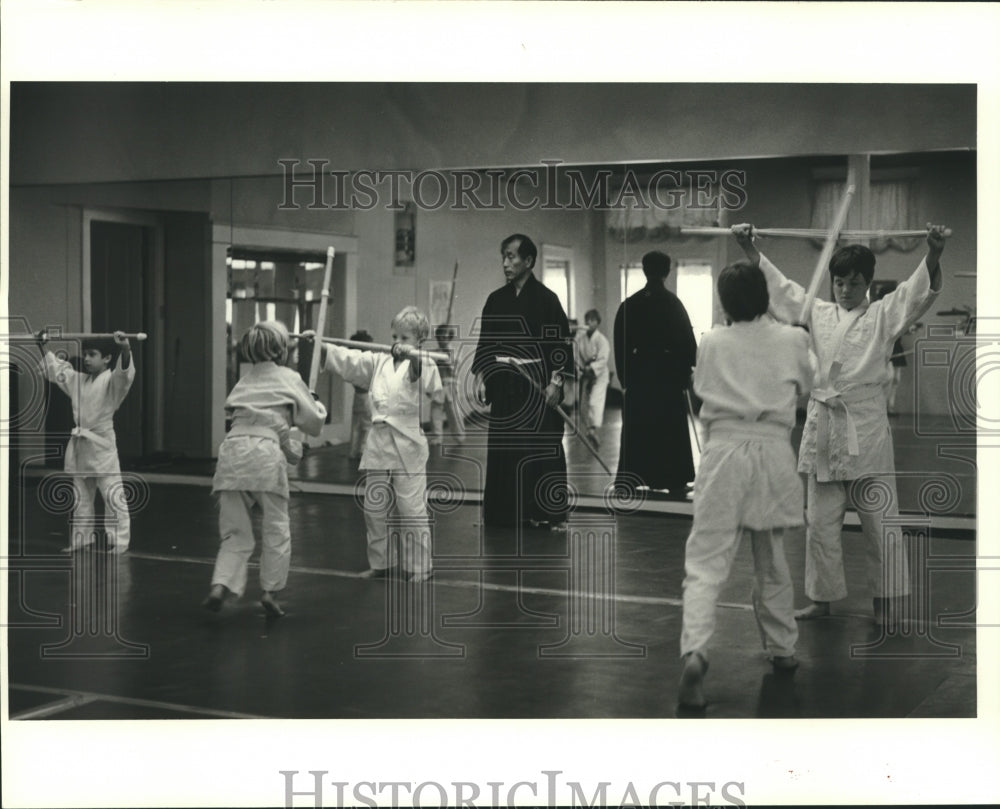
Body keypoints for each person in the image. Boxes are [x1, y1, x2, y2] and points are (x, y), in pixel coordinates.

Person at [733, 223, 949, 627]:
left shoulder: (883, 316)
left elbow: (912, 295)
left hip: (864, 430)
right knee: (820, 526)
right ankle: (822, 599)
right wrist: (749, 248)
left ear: (868, 284)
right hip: (824, 430)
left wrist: (933, 254)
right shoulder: (818, 312)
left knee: (880, 524)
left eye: (853, 283)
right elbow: (780, 290)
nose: (845, 290)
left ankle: (886, 605)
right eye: (839, 282)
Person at [677, 262, 815, 709]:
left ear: (724, 301)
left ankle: (696, 650)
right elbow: (813, 385)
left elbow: (700, 389)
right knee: (771, 556)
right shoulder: (794, 339)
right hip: (772, 455)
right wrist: (794, 342)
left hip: (723, 453)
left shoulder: (712, 341)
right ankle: (783, 649)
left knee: (705, 564)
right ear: (765, 298)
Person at [203, 320, 327, 616]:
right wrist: (315, 404)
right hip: (263, 455)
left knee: (235, 531)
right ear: (282, 350)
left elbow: (261, 423)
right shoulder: (288, 377)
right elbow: (313, 423)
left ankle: (220, 585)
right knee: (275, 526)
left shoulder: (244, 381)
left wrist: (292, 449)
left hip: (232, 452)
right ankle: (270, 592)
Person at [318, 306, 442, 582]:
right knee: (374, 507)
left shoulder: (424, 361)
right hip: (378, 440)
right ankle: (381, 563)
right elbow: (350, 359)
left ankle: (421, 566)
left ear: (420, 342)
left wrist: (415, 356)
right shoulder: (379, 362)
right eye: (395, 336)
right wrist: (320, 346)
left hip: (407, 441)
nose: (397, 342)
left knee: (410, 508)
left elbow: (423, 378)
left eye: (405, 338)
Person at [472, 234, 573, 529]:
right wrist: (481, 377)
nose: (506, 263)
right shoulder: (495, 300)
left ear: (528, 261)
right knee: (506, 449)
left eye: (512, 257)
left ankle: (548, 512)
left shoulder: (546, 300)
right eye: (504, 256)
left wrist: (555, 383)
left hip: (536, 384)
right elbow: (486, 344)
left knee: (542, 447)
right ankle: (507, 513)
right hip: (504, 385)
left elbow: (560, 346)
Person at [38, 331, 136, 554]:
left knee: (112, 494)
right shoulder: (79, 381)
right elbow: (58, 371)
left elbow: (125, 376)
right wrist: (42, 345)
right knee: (80, 497)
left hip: (102, 445)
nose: (87, 359)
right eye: (85, 354)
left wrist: (125, 349)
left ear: (107, 359)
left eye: (93, 354)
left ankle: (119, 541)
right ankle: (82, 539)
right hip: (81, 445)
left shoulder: (111, 383)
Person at [613, 250, 697, 499]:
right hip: (668, 377)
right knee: (669, 430)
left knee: (637, 428)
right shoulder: (674, 304)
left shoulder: (630, 304)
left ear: (644, 270)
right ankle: (673, 480)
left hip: (639, 376)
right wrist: (683, 376)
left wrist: (625, 379)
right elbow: (688, 346)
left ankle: (629, 480)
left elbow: (620, 344)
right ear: (667, 271)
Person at [574, 308, 611, 447]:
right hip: (586, 374)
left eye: (592, 320)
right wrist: (581, 368)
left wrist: (592, 367)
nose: (589, 322)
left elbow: (603, 359)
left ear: (597, 322)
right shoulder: (580, 338)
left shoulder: (602, 340)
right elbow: (576, 354)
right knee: (582, 404)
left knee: (595, 402)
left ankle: (593, 429)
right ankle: (590, 430)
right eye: (587, 320)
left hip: (599, 375)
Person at [429, 324, 466, 448]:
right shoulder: (434, 353)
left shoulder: (455, 352)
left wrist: (446, 359)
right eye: (439, 337)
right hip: (438, 384)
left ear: (449, 338)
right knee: (435, 411)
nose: (441, 340)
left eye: (444, 337)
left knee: (453, 412)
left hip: (450, 384)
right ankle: (437, 437)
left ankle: (459, 436)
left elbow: (453, 370)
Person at [348, 329, 375, 459]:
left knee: (357, 425)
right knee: (367, 426)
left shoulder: (354, 363)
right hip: (366, 396)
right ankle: (363, 451)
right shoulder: (366, 362)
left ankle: (354, 451)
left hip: (358, 396)